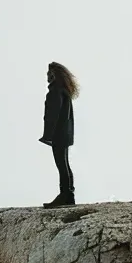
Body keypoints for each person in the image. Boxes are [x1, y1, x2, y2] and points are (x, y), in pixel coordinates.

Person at [39, 62, 79, 208]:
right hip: (65, 133)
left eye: (49, 74)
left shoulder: (56, 91)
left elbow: (53, 115)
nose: (47, 77)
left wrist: (49, 134)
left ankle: (65, 194)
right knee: (64, 164)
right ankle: (69, 194)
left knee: (61, 164)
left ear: (54, 75)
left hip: (59, 134)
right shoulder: (64, 91)